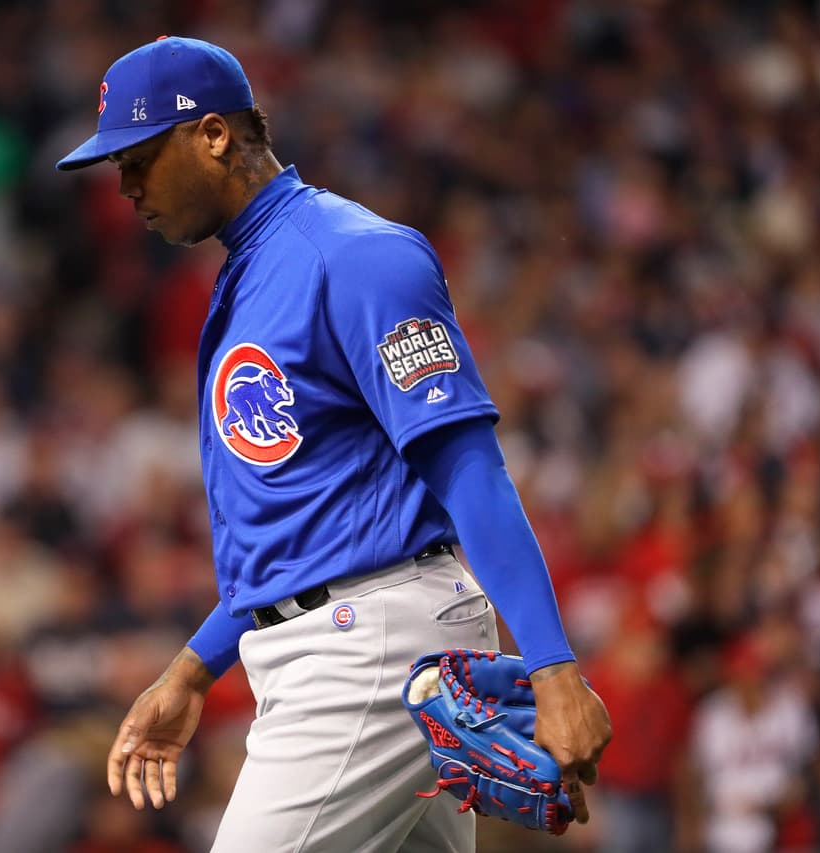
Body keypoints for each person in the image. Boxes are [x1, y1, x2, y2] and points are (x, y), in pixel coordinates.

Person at [57, 36, 612, 852]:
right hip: (335, 640)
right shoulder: (253, 272)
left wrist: (556, 664)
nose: (126, 186)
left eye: (138, 158)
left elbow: (468, 469)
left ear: (213, 135)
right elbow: (306, 530)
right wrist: (194, 668)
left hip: (368, 650)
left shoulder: (354, 256)